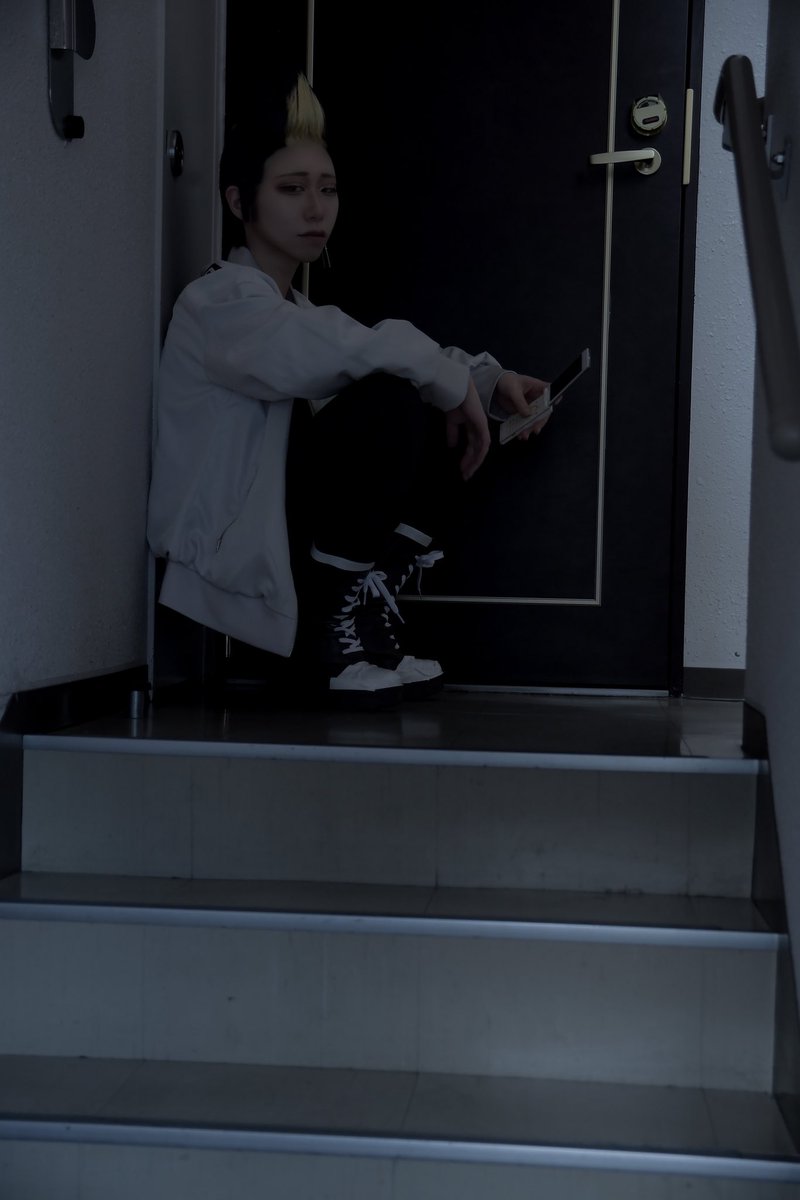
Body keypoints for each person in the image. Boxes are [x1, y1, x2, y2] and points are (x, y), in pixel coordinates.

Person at [147, 72, 549, 710]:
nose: (316, 209)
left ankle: (357, 612)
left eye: (327, 189)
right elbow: (344, 351)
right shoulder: (219, 302)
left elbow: (356, 345)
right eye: (292, 189)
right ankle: (326, 633)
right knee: (394, 399)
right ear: (238, 202)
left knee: (425, 398)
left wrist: (487, 383)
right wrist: (448, 382)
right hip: (231, 562)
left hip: (279, 541)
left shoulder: (293, 309)